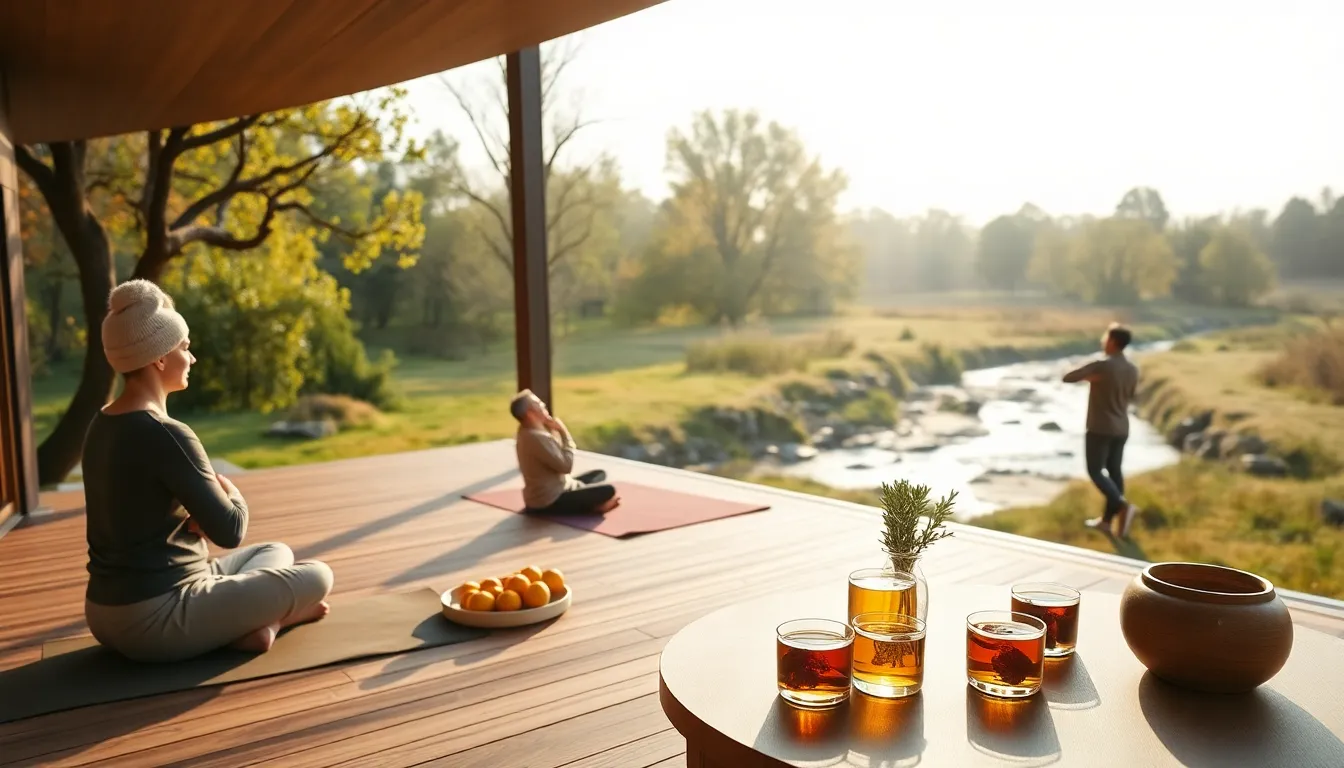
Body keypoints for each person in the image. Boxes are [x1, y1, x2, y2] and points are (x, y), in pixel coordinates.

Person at [82, 280, 334, 662]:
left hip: (103, 612)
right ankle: (267, 623)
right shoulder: (166, 433)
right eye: (185, 347)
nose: (192, 358)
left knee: (274, 550)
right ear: (160, 359)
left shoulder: (100, 424)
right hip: (155, 618)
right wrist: (230, 491)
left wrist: (195, 509)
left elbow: (138, 507)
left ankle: (249, 623)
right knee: (318, 576)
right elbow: (231, 529)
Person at [1062, 323, 1141, 538]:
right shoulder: (1133, 369)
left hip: (1100, 427)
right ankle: (1107, 522)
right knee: (1114, 471)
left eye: (1105, 337)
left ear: (1113, 342)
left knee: (1095, 471)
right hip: (1122, 427)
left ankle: (1123, 506)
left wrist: (1089, 373)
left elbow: (1068, 377)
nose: (1102, 341)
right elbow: (1132, 397)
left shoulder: (1102, 366)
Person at [510, 390, 620, 515]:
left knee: (599, 474)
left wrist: (552, 430)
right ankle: (593, 508)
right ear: (530, 413)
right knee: (608, 490)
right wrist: (563, 431)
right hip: (548, 500)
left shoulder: (526, 431)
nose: (544, 405)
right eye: (539, 404)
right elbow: (566, 466)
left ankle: (584, 494)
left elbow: (554, 457)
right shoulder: (535, 438)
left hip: (558, 487)